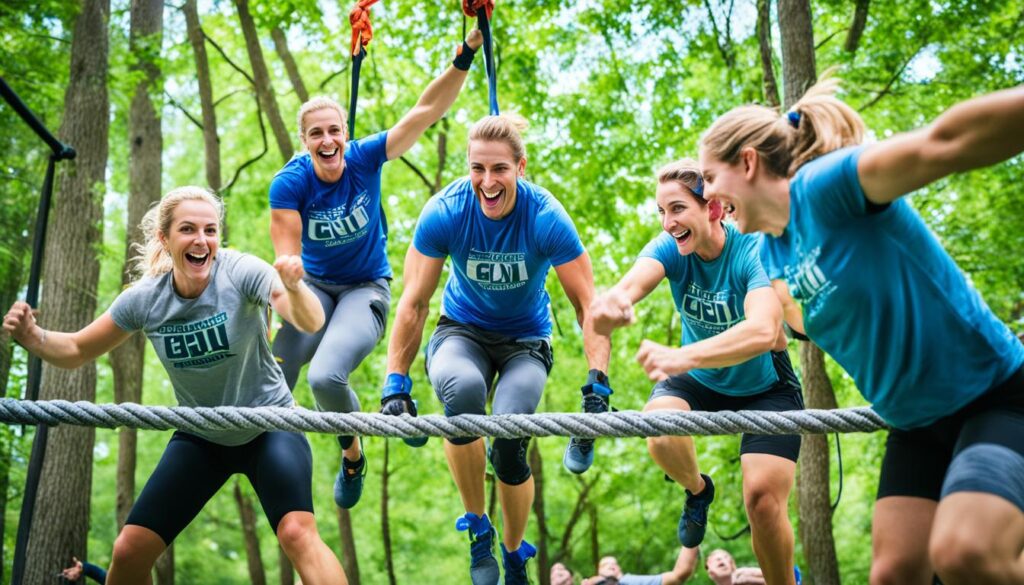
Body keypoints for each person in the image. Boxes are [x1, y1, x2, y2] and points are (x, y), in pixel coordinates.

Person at [697, 81, 1024, 585]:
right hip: (914, 425)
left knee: (966, 553)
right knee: (892, 574)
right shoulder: (772, 253)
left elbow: (945, 141)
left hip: (993, 396)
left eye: (709, 178)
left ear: (747, 162)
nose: (708, 198)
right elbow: (787, 321)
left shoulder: (829, 187)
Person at [4, 187, 345, 585]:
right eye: (188, 229)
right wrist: (33, 337)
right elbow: (78, 347)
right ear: (165, 238)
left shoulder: (239, 272)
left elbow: (310, 321)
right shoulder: (147, 300)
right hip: (201, 436)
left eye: (210, 230)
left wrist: (296, 287)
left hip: (269, 425)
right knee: (129, 551)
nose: (202, 240)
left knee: (296, 533)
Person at [380, 113, 607, 585]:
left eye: (499, 169)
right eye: (477, 169)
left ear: (520, 168)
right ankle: (479, 529)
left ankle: (513, 551)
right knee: (461, 393)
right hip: (460, 332)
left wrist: (597, 382)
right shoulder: (445, 210)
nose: (487, 181)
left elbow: (589, 306)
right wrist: (395, 382)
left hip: (526, 342)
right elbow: (415, 301)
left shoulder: (545, 217)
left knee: (508, 435)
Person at [268, 29, 485, 510]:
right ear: (305, 143)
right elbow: (287, 259)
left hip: (364, 288)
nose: (327, 140)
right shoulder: (289, 184)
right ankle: (328, 461)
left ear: (345, 134)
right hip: (313, 289)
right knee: (272, 379)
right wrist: (286, 278)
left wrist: (466, 50)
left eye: (334, 131)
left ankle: (355, 451)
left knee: (325, 378)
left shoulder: (365, 158)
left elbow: (427, 112)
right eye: (316, 134)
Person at [589, 159, 802, 584]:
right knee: (660, 431)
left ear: (713, 210)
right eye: (661, 212)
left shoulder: (750, 250)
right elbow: (628, 287)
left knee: (761, 502)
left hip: (766, 385)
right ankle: (697, 490)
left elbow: (765, 329)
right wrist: (612, 304)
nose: (668, 223)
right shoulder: (669, 248)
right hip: (700, 381)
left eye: (677, 209)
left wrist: (683, 356)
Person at [582, 547, 699, 585]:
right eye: (606, 564)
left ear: (620, 569)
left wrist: (692, 535)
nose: (611, 566)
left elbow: (678, 575)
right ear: (598, 570)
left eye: (614, 564)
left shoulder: (630, 581)